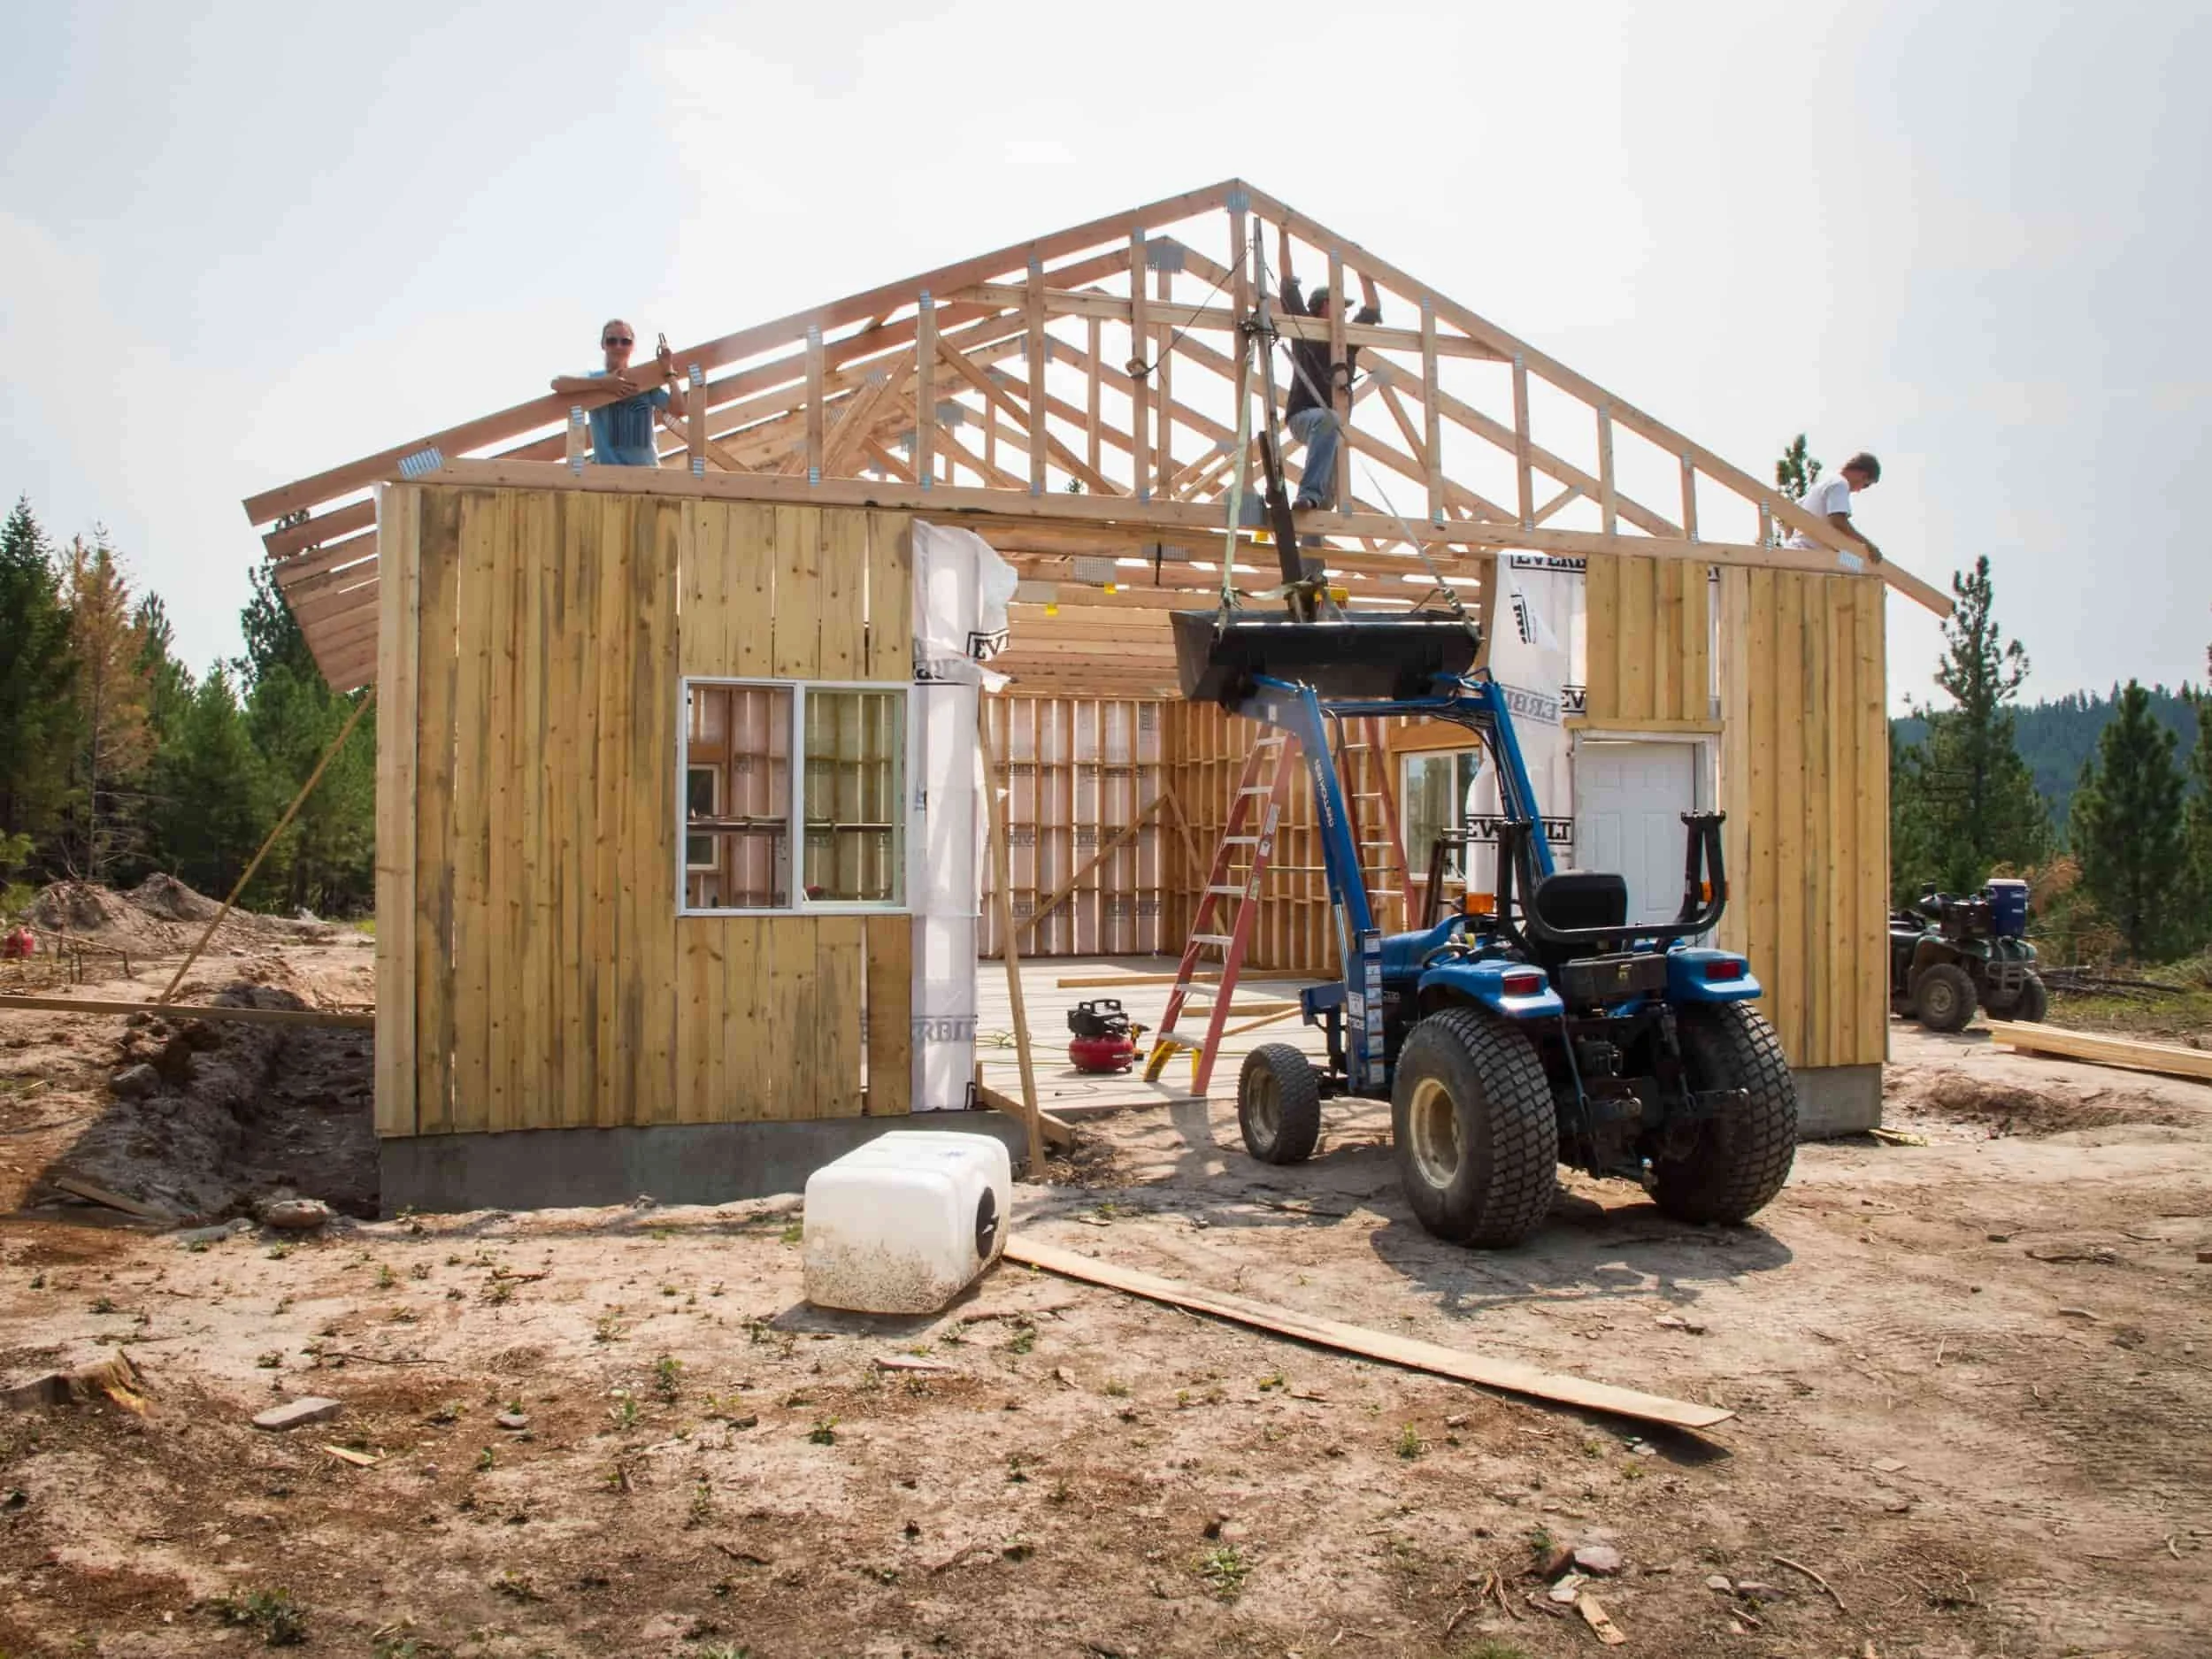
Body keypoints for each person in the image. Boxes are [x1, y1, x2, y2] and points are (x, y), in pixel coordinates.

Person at [1277, 227, 1380, 512]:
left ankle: (1310, 516)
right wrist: (1284, 232)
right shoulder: (1304, 326)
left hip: (1330, 427)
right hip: (1304, 417)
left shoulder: (1346, 342)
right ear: (1323, 305)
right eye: (1339, 305)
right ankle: (1307, 493)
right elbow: (1287, 283)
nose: (1345, 312)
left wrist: (1362, 267)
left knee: (1327, 502)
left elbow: (1372, 308)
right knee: (1328, 419)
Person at [549, 319, 686, 466]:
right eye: (612, 341)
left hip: (647, 471)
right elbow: (557, 383)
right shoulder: (593, 378)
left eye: (625, 341)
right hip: (609, 473)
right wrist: (603, 383)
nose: (618, 346)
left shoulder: (642, 379)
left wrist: (668, 371)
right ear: (603, 344)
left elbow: (678, 410)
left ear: (632, 346)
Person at [1787, 451, 1883, 559]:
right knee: (1862, 565)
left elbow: (1791, 514)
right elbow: (1838, 520)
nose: (1859, 490)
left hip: (1797, 549)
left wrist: (1790, 539)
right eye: (1865, 485)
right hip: (1812, 554)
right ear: (1863, 475)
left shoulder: (1824, 483)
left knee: (1856, 563)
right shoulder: (1841, 484)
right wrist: (1868, 545)